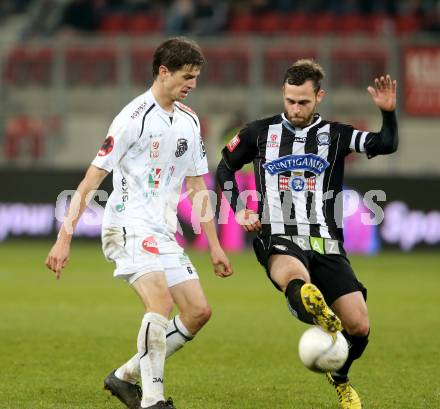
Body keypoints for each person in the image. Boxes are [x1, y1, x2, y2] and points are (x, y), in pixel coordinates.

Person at [46, 37, 233, 409]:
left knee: (198, 312)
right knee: (160, 305)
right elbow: (91, 181)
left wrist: (213, 244)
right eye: (186, 76)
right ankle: (153, 399)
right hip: (128, 224)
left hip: (164, 230)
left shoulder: (190, 121)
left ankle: (125, 376)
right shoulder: (133, 118)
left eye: (195, 77)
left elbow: (197, 186)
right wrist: (63, 237)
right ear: (163, 72)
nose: (192, 84)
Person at [216, 59, 398, 409]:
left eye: (303, 102)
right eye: (290, 101)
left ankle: (339, 376)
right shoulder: (258, 133)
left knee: (359, 326)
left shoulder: (338, 134)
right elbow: (225, 166)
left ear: (319, 96)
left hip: (326, 242)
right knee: (296, 277)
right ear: (283, 95)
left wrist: (388, 114)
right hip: (276, 233)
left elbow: (385, 143)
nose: (295, 109)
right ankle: (308, 306)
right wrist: (239, 206)